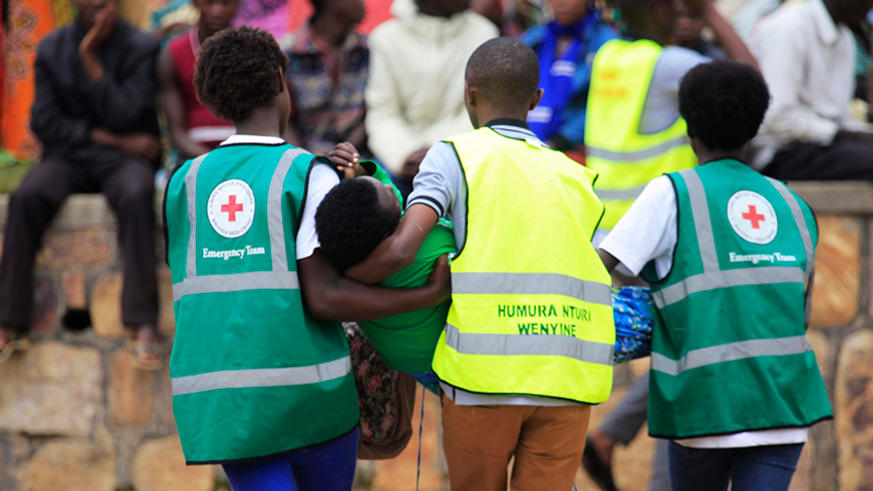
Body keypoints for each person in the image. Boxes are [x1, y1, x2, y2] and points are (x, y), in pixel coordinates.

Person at [162, 26, 450, 488]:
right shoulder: (305, 172)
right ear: (281, 80)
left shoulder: (182, 184)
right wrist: (425, 295)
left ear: (213, 100)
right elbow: (326, 296)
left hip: (223, 408)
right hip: (307, 399)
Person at [344, 37, 615, 490]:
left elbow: (402, 249)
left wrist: (341, 290)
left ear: (468, 92)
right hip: (569, 375)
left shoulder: (453, 156)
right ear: (536, 99)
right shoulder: (575, 175)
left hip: (486, 378)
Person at [598, 60, 833, 491]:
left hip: (704, 405)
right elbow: (798, 313)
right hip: (783, 404)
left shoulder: (671, 194)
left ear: (688, 126)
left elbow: (596, 269)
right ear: (756, 128)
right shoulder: (792, 204)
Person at [0, 0, 162, 368]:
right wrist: (114, 139)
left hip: (124, 163)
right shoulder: (53, 47)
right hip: (70, 157)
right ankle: (10, 323)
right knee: (26, 196)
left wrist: (91, 60)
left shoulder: (141, 47)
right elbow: (44, 122)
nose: (97, 4)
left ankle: (143, 325)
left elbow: (129, 114)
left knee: (137, 195)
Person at [584, 0, 757, 240]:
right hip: (658, 229)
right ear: (661, 12)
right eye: (678, 12)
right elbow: (751, 86)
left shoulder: (607, 55)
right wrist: (709, 12)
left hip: (607, 227)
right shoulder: (668, 63)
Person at [315, 160, 455, 393]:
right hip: (442, 356)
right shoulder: (429, 247)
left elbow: (389, 201)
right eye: (386, 191)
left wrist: (367, 172)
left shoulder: (347, 257)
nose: (390, 188)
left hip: (408, 361)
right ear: (389, 234)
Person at [364, 0, 497, 196]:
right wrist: (403, 156)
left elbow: (484, 107)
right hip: (400, 162)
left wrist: (437, 151)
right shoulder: (385, 38)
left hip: (462, 157)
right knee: (376, 190)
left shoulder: (484, 33)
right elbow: (382, 110)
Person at [749, 0, 873, 180]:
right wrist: (839, 134)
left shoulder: (845, 38)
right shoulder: (790, 27)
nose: (869, 6)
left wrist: (862, 133)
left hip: (825, 148)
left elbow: (836, 118)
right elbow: (775, 117)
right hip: (779, 153)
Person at [522, 0, 616, 160]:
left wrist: (559, 142)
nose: (561, 3)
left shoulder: (606, 43)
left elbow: (605, 104)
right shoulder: (533, 39)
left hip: (577, 153)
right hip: (526, 148)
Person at [282, 0, 369, 157]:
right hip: (303, 160)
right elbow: (284, 121)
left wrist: (343, 155)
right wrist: (306, 162)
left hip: (357, 158)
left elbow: (372, 114)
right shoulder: (288, 53)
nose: (363, 4)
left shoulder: (368, 50)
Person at [158, 0, 238, 160]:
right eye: (209, 3)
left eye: (226, 3)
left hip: (244, 152)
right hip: (194, 155)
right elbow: (177, 132)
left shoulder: (253, 51)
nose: (217, 11)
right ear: (195, 3)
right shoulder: (174, 53)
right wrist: (212, 161)